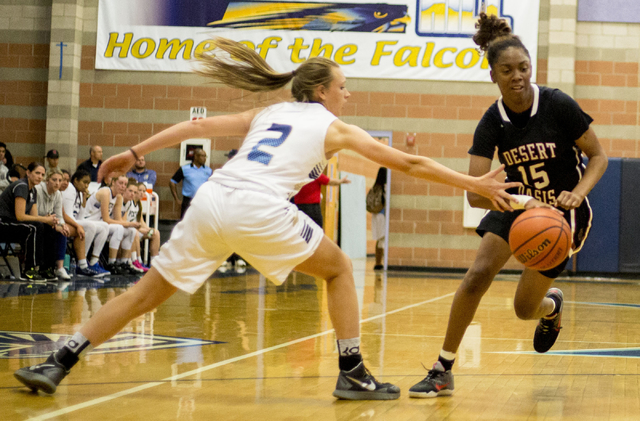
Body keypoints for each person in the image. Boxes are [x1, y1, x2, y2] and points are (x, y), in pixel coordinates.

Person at [14, 37, 518, 398]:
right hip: (257, 206)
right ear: (322, 91)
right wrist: (474, 183)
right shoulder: (330, 123)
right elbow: (408, 163)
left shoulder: (268, 114)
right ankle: (353, 371)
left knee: (142, 294)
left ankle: (60, 360)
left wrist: (133, 150)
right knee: (340, 268)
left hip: (213, 201)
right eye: (344, 86)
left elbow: (203, 123)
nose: (349, 94)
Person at [407, 13, 608, 399]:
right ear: (493, 76)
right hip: (515, 204)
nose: (517, 76)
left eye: (523, 68)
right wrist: (517, 200)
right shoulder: (491, 122)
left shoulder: (557, 105)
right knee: (477, 274)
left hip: (561, 216)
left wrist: (579, 192)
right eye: (507, 70)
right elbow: (475, 191)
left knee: (522, 309)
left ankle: (550, 308)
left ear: (531, 68)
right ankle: (443, 369)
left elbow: (598, 157)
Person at [0, 162, 57, 281]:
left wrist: (48, 220)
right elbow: (20, 216)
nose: (40, 177)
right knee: (34, 228)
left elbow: (34, 217)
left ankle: (46, 268)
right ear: (28, 173)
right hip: (3, 223)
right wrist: (44, 219)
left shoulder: (33, 191)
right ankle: (30, 270)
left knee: (46, 227)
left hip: (14, 224)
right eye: (37, 173)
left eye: (42, 174)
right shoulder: (21, 186)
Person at [83, 174, 141, 275]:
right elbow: (106, 219)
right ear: (113, 182)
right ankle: (106, 262)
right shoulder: (106, 192)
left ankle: (122, 262)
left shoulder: (119, 197)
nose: (123, 186)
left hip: (100, 223)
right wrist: (129, 223)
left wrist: (130, 225)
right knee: (118, 228)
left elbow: (118, 220)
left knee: (131, 230)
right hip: (89, 220)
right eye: (121, 183)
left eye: (125, 184)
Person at [62, 169, 111, 277]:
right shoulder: (70, 189)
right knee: (90, 226)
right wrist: (78, 226)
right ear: (75, 180)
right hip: (66, 222)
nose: (86, 186)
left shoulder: (79, 193)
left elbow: (80, 216)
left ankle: (93, 262)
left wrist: (84, 200)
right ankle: (82, 262)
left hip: (73, 221)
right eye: (84, 182)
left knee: (104, 226)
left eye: (88, 183)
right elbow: (68, 216)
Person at [34, 169, 76, 280]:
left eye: (60, 180)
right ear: (47, 180)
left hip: (48, 222)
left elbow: (59, 215)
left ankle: (59, 268)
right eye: (54, 180)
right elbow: (34, 213)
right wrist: (50, 220)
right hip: (37, 221)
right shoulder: (37, 190)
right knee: (49, 230)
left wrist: (63, 225)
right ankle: (42, 267)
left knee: (63, 231)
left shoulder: (58, 194)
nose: (57, 183)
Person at [170, 148, 212, 219]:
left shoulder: (209, 171)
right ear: (195, 156)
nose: (204, 158)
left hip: (203, 201)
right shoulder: (184, 169)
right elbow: (172, 182)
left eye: (205, 156)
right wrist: (176, 199)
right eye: (202, 156)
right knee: (185, 222)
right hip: (188, 201)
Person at [368, 167, 387, 270]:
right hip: (382, 216)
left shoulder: (375, 187)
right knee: (382, 240)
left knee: (379, 240)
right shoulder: (385, 187)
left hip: (375, 216)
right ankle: (379, 263)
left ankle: (378, 262)